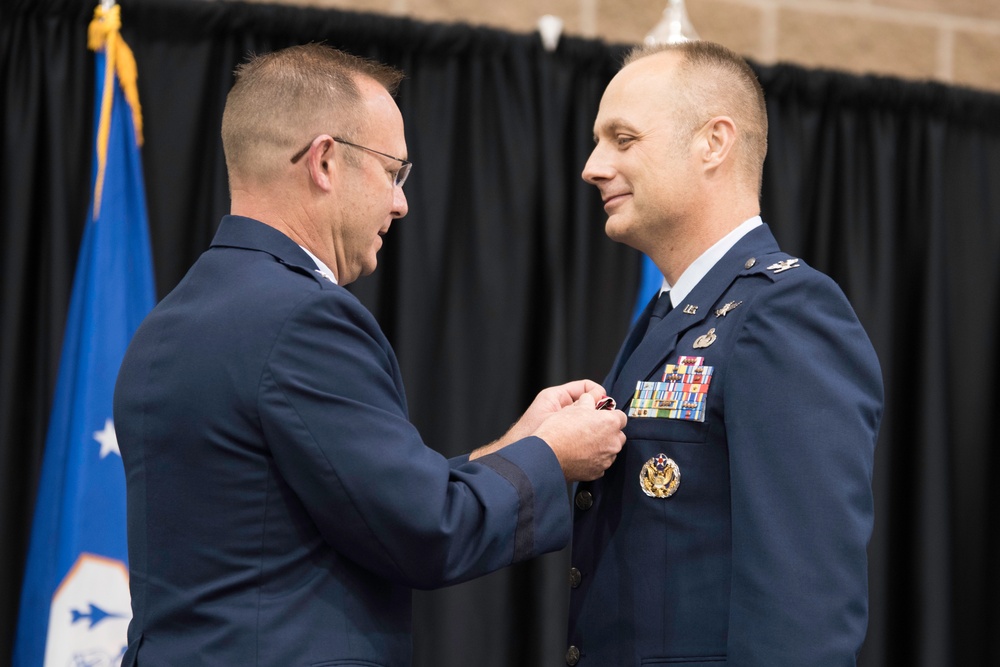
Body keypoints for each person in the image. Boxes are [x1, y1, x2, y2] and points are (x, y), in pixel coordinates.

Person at [113, 44, 627, 666]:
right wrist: (554, 458)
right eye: (393, 171)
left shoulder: (168, 322)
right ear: (325, 161)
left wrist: (523, 440)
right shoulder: (303, 318)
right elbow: (425, 530)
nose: (401, 203)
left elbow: (368, 500)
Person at [566, 41, 884, 666]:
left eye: (622, 139)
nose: (593, 166)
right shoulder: (674, 313)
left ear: (714, 143)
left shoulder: (786, 313)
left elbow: (805, 606)